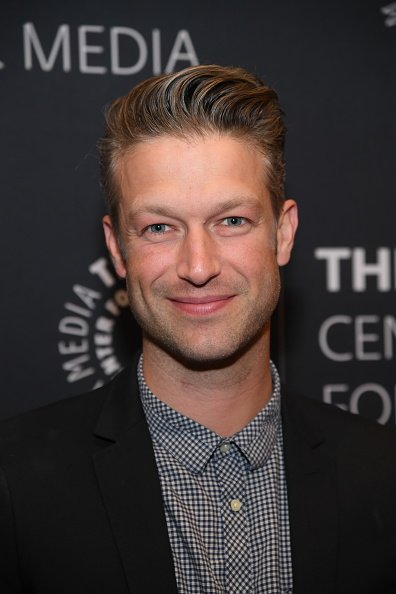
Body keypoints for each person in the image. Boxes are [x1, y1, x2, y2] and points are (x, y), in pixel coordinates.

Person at [0, 65, 396, 594]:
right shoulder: (14, 480)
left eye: (231, 220)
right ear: (118, 248)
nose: (198, 264)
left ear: (283, 233)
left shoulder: (385, 474)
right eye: (159, 227)